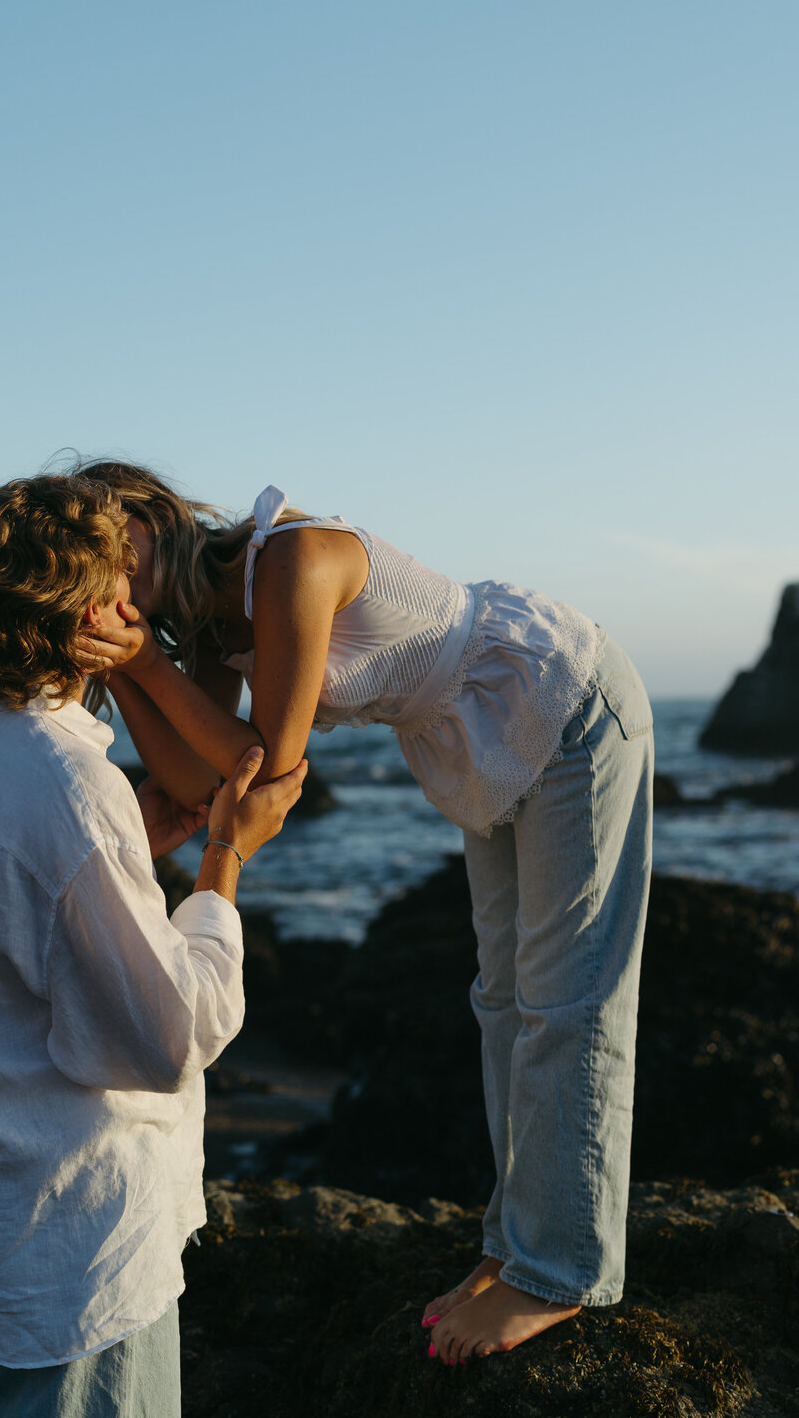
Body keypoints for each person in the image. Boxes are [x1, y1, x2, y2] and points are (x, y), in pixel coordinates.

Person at [77, 463, 655, 1367]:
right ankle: (513, 1247)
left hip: (561, 698)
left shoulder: (291, 562)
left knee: (568, 999)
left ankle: (560, 1271)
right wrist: (141, 667)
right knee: (503, 1002)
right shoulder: (205, 622)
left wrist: (143, 662)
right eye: (91, 566)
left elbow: (266, 772)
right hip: (485, 735)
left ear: (159, 516)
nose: (112, 578)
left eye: (120, 545)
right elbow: (200, 785)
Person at [0, 473, 307, 1418]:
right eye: (119, 586)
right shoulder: (67, 784)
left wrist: (131, 859)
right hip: (74, 1264)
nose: (139, 613)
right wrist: (225, 860)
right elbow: (167, 1038)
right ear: (78, 615)